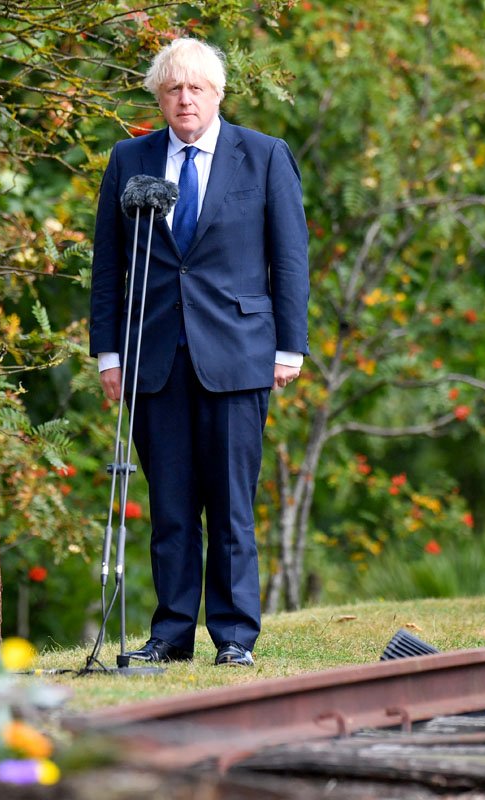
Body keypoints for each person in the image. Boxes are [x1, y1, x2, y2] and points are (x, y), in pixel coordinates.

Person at [89, 38, 310, 667]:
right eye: (173, 88)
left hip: (240, 354)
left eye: (196, 88)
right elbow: (108, 267)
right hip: (152, 355)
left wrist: (290, 345)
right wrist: (108, 354)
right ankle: (171, 633)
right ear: (158, 96)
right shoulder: (129, 159)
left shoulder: (263, 156)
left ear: (218, 94)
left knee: (232, 504)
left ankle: (236, 636)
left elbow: (289, 260)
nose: (185, 99)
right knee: (172, 506)